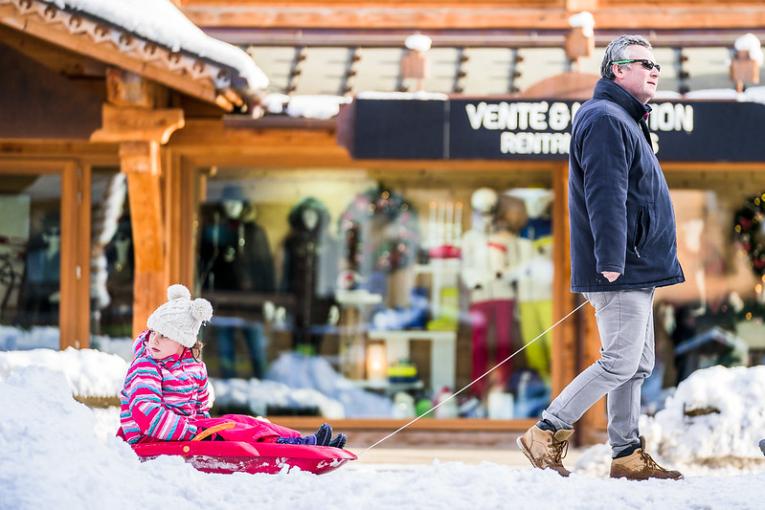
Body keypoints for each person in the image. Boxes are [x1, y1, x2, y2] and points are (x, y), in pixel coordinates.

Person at [517, 35, 685, 480]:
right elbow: (605, 193)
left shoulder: (625, 119)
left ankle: (626, 454)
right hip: (621, 267)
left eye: (657, 64)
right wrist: (610, 259)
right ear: (616, 70)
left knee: (638, 364)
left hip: (637, 266)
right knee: (619, 361)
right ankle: (545, 432)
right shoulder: (606, 118)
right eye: (644, 63)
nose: (655, 70)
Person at [117, 284, 347, 449]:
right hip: (150, 440)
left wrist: (203, 427)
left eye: (164, 336)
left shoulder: (194, 366)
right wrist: (197, 433)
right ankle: (291, 446)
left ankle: (302, 441)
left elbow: (200, 408)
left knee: (243, 421)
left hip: (182, 433)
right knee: (232, 429)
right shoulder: (146, 366)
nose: (153, 341)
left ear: (183, 341)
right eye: (153, 333)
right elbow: (147, 414)